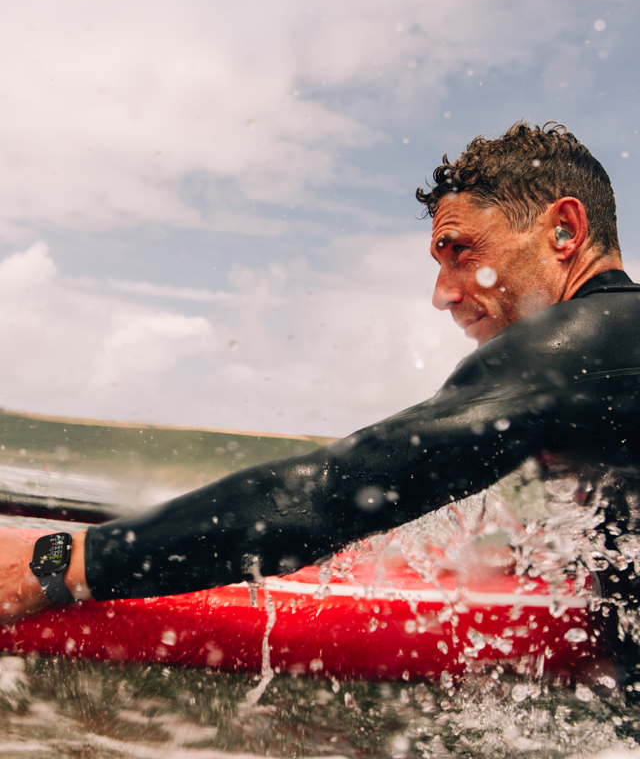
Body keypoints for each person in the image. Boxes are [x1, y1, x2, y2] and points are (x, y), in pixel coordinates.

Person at [3, 121, 640, 676]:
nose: (442, 293)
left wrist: (61, 564)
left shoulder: (581, 351)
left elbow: (330, 496)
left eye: (461, 252)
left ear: (563, 229)